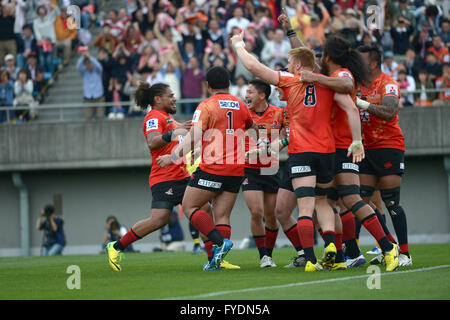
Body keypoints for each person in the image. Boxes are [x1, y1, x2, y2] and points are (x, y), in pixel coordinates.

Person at [230, 30, 369, 272]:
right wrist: (357, 140)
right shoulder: (327, 82)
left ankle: (311, 260)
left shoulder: (290, 80)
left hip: (302, 152)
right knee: (323, 202)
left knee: (305, 208)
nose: (286, 64)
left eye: (289, 62)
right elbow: (350, 107)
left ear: (297, 64)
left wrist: (238, 44)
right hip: (327, 152)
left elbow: (254, 66)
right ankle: (331, 246)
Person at [159, 66, 259, 271]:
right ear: (229, 84)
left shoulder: (206, 106)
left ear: (208, 85)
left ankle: (221, 244)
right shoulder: (241, 105)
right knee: (222, 215)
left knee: (189, 206)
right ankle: (219, 261)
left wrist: (172, 157)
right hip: (236, 169)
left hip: (214, 167)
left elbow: (194, 136)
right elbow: (254, 127)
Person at [105, 82, 193, 271]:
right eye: (170, 95)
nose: (174, 98)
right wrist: (175, 133)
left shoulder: (170, 119)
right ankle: (116, 246)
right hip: (165, 178)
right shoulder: (153, 117)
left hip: (182, 176)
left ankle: (215, 256)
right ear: (157, 99)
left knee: (201, 206)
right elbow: (153, 142)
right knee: (158, 220)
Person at [356, 44, 412, 267]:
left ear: (372, 63)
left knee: (391, 203)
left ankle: (406, 254)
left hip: (388, 146)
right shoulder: (357, 84)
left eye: (360, 60)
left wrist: (361, 103)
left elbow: (389, 112)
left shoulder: (388, 83)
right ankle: (389, 245)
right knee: (362, 201)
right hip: (366, 148)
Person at [242, 79, 285, 268]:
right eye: (246, 92)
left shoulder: (279, 113)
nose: (246, 96)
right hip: (249, 168)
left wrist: (275, 147)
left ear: (262, 95)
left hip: (271, 168)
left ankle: (269, 253)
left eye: (250, 92)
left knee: (271, 215)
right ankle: (263, 256)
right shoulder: (243, 114)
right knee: (256, 211)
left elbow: (287, 135)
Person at [76, 50, 105, 120]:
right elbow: (78, 67)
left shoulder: (98, 71)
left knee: (100, 117)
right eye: (86, 64)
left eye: (90, 63)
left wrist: (90, 57)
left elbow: (98, 65)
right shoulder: (84, 72)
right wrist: (83, 57)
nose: (88, 65)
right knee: (88, 118)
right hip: (88, 98)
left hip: (99, 97)